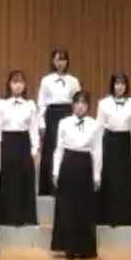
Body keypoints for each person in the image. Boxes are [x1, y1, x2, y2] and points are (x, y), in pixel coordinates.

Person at [51, 91, 102, 260]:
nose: (80, 106)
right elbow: (59, 148)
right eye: (77, 102)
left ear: (88, 106)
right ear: (73, 105)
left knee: (84, 207)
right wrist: (55, 171)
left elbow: (97, 151)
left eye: (84, 103)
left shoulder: (95, 125)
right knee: (68, 206)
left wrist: (96, 176)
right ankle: (69, 247)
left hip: (85, 164)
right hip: (68, 163)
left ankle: (85, 247)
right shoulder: (64, 123)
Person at [0, 70, 40, 226]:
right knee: (7, 178)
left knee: (24, 178)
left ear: (25, 85)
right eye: (14, 82)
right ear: (9, 85)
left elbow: (34, 128)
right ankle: (6, 216)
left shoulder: (30, 105)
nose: (18, 85)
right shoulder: (1, 104)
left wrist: (34, 148)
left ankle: (24, 216)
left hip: (23, 141)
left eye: (20, 82)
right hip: (6, 142)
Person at [96, 73, 131, 227]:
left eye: (122, 83)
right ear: (112, 85)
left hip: (125, 143)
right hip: (109, 142)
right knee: (109, 178)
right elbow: (99, 127)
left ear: (126, 86)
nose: (120, 87)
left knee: (124, 180)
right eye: (117, 83)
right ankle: (106, 217)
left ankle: (125, 217)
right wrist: (96, 148)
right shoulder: (103, 103)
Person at [37, 49, 81, 196]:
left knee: (66, 148)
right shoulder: (46, 80)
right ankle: (48, 187)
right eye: (58, 59)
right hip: (51, 115)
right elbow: (41, 103)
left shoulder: (73, 81)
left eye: (63, 59)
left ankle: (65, 184)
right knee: (51, 149)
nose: (61, 63)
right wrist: (41, 123)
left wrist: (76, 120)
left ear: (67, 62)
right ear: (53, 61)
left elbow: (78, 101)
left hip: (67, 114)